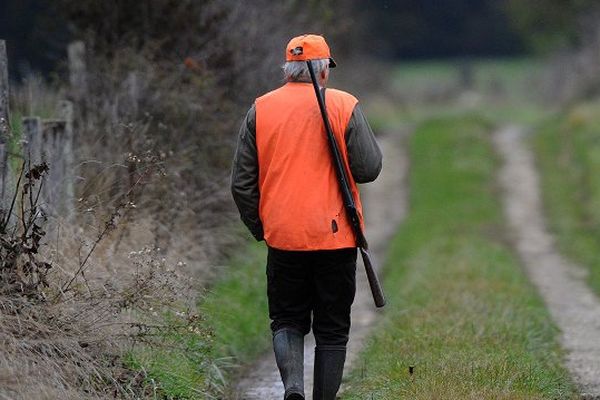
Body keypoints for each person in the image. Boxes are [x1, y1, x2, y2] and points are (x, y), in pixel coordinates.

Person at [231, 34, 382, 400]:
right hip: (335, 238)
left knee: (286, 319)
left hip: (283, 237)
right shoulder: (344, 105)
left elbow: (241, 184)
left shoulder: (261, 108)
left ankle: (294, 389)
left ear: (289, 69)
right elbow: (368, 169)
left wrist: (263, 227)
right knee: (331, 328)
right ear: (323, 71)